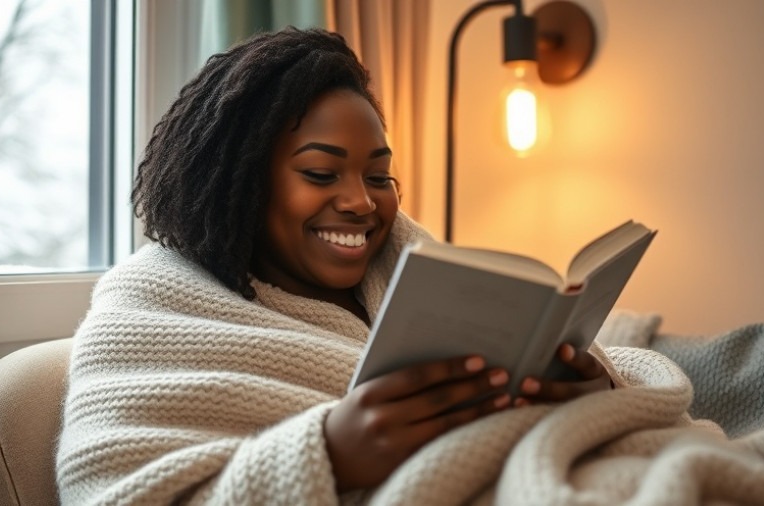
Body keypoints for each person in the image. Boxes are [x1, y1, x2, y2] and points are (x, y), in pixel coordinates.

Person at [55, 27, 613, 504]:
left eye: (378, 177)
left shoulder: (410, 269)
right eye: (321, 174)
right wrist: (325, 457)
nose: (362, 203)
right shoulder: (146, 313)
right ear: (241, 184)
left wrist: (592, 394)